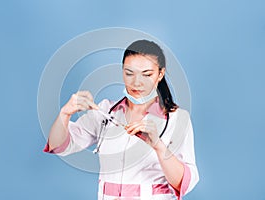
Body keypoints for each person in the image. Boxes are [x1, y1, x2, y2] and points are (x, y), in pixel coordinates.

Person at [44, 40, 199, 200]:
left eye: (146, 74)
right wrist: (64, 114)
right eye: (129, 73)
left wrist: (158, 146)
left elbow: (183, 183)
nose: (137, 82)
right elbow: (58, 145)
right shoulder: (105, 112)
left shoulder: (177, 119)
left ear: (160, 74)